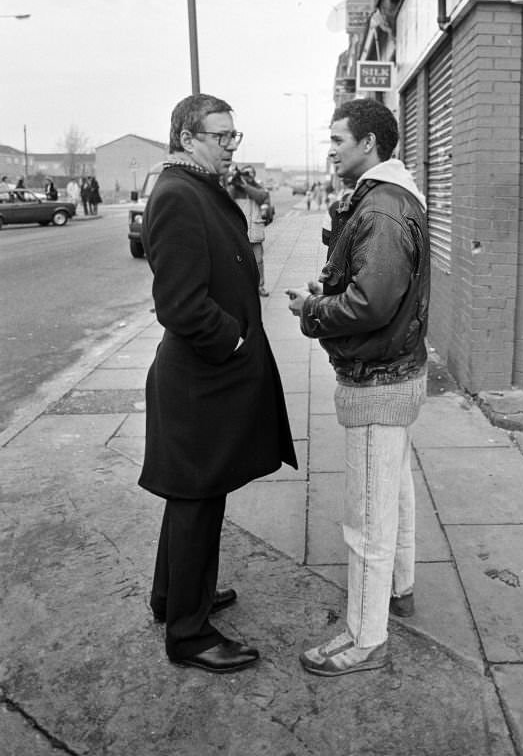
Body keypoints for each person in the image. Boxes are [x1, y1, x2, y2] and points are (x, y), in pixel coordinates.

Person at [140, 93, 297, 675]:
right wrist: (233, 341)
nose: (232, 145)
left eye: (235, 135)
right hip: (200, 381)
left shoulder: (198, 188)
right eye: (220, 135)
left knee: (193, 498)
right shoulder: (179, 196)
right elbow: (179, 305)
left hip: (206, 380)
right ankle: (188, 634)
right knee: (197, 501)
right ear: (187, 137)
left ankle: (173, 598)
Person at [287, 98, 430, 677]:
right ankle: (400, 589)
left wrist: (313, 310)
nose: (332, 150)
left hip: (377, 379)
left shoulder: (383, 208)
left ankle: (365, 638)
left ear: (368, 144)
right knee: (393, 490)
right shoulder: (391, 197)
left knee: (367, 514)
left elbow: (369, 303)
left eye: (338, 140)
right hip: (396, 373)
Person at [227, 164, 271, 297]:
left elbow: (262, 197)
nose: (248, 176)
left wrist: (246, 186)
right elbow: (226, 199)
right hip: (240, 232)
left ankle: (260, 286)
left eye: (250, 173)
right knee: (239, 261)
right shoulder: (235, 188)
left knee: (258, 261)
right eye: (245, 173)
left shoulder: (258, 188)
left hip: (255, 231)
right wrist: (234, 183)